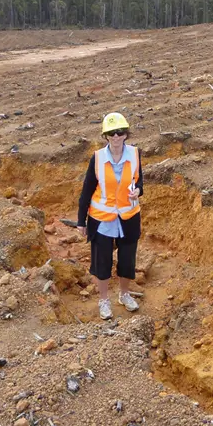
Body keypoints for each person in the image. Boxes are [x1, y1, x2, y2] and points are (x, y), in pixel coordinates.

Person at [77, 112, 143, 320]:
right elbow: (86, 191)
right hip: (102, 219)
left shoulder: (134, 154)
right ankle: (104, 300)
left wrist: (138, 191)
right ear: (105, 136)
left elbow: (140, 182)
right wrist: (81, 221)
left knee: (126, 260)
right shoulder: (97, 158)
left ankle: (124, 295)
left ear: (126, 134)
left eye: (120, 132)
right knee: (102, 261)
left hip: (128, 217)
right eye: (111, 133)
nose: (116, 137)